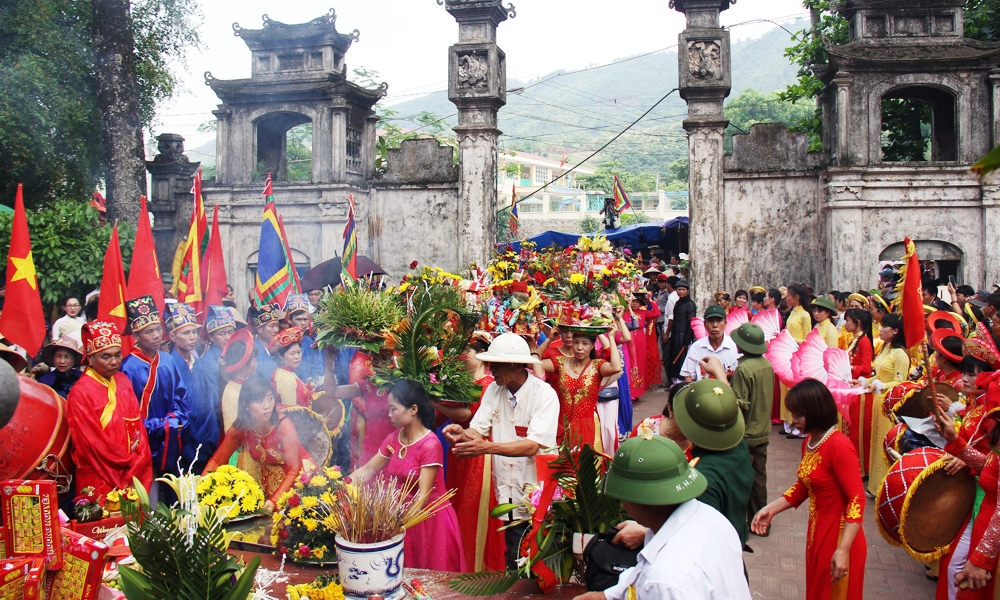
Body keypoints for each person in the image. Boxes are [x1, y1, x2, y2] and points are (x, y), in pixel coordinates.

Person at [573, 436, 752, 600]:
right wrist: (605, 596)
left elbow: (659, 582)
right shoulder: (711, 517)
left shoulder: (665, 581)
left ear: (631, 501)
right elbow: (640, 574)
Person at [442, 333, 559, 571]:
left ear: (516, 365)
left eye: (497, 365)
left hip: (537, 491)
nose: (491, 369)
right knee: (515, 556)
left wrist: (485, 447)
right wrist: (461, 433)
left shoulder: (544, 394)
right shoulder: (494, 391)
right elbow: (477, 429)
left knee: (540, 558)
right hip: (506, 491)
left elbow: (532, 446)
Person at [752, 379, 867, 599]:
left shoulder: (839, 446)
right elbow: (805, 485)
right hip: (818, 532)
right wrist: (771, 509)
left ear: (816, 411)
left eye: (798, 415)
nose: (793, 421)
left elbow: (857, 499)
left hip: (840, 535)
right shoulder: (810, 442)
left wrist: (843, 550)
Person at [349, 380, 466, 572]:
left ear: (413, 409)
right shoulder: (393, 438)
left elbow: (423, 495)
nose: (389, 414)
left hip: (428, 520)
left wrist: (397, 525)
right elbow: (369, 469)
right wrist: (341, 483)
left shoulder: (430, 445)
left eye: (393, 409)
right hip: (401, 517)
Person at [436, 334, 506, 572]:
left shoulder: (488, 384)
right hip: (458, 449)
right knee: (457, 503)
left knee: (472, 507)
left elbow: (468, 416)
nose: (463, 356)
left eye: (467, 351)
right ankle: (458, 559)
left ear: (481, 354)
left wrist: (434, 402)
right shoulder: (463, 382)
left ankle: (474, 564)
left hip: (478, 452)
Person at [66, 322, 153, 497]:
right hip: (100, 473)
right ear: (90, 358)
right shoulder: (80, 392)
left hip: (133, 468)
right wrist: (126, 462)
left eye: (117, 355)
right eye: (106, 357)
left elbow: (137, 423)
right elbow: (91, 444)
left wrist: (140, 457)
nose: (114, 361)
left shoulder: (123, 381)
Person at [203, 376, 313, 511]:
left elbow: (294, 469)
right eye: (259, 401)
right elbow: (218, 460)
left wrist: (274, 500)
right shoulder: (241, 427)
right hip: (267, 484)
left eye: (270, 398)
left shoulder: (283, 425)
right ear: (246, 405)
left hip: (298, 481)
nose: (267, 406)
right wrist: (201, 488)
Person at [120, 295, 190, 487]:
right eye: (148, 331)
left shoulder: (167, 360)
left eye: (158, 329)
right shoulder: (127, 367)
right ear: (136, 336)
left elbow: (181, 396)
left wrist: (175, 421)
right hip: (142, 441)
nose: (156, 335)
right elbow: (126, 412)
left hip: (171, 438)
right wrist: (156, 426)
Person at [537, 322, 622, 449]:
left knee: (584, 465)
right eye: (576, 342)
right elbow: (533, 363)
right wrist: (548, 340)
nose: (579, 347)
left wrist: (611, 337)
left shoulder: (597, 366)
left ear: (593, 346)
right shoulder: (561, 363)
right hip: (561, 423)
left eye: (585, 343)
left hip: (587, 426)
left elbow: (616, 367)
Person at [727, 323, 775, 527]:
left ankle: (738, 521)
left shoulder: (744, 368)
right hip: (763, 429)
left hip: (746, 433)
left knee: (741, 478)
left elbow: (740, 404)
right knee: (759, 478)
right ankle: (761, 517)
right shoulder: (766, 365)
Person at [164, 302, 218, 472]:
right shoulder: (168, 366)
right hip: (182, 441)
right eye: (186, 333)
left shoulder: (200, 364)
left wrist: (206, 438)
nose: (192, 337)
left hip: (204, 437)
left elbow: (209, 404)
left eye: (194, 332)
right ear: (172, 337)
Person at [865, 314, 911, 496]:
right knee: (876, 441)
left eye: (885, 327)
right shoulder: (885, 349)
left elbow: (901, 381)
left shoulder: (900, 354)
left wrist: (881, 385)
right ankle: (874, 485)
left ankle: (886, 487)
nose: (881, 329)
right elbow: (880, 374)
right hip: (878, 399)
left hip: (890, 403)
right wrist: (865, 381)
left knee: (886, 443)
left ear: (895, 331)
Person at [841, 308, 874, 474]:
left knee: (857, 431)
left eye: (848, 321)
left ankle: (859, 467)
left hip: (860, 391)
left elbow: (866, 368)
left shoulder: (864, 342)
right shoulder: (854, 340)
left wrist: (849, 367)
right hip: (852, 389)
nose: (846, 323)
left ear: (858, 322)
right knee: (849, 427)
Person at [680, 304, 739, 382]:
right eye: (710, 321)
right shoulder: (696, 347)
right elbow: (689, 377)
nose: (715, 325)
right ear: (704, 325)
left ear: (725, 324)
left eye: (719, 320)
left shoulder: (735, 347)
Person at [284, 294, 323, 381]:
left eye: (305, 319)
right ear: (290, 320)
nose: (303, 323)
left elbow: (317, 370)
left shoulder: (309, 342)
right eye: (298, 319)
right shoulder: (283, 342)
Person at [665, 280, 696, 384]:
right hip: (675, 334)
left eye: (683, 290)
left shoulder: (690, 304)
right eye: (679, 290)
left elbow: (691, 322)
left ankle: (682, 381)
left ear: (687, 291)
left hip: (684, 335)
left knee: (683, 359)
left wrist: (687, 339)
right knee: (674, 357)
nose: (681, 292)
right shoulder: (677, 303)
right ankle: (674, 381)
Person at [248, 302, 282, 381]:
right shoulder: (253, 351)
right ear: (260, 329)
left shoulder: (279, 347)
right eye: (272, 326)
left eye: (277, 325)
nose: (276, 330)